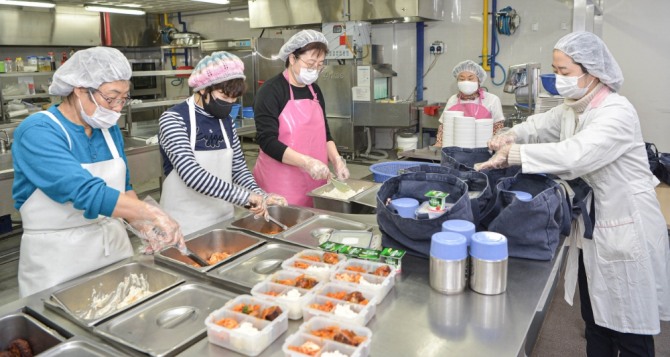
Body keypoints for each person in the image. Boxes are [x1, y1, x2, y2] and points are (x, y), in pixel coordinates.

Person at [476, 32, 669, 356]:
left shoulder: (616, 112)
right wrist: (510, 134)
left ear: (592, 71)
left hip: (627, 224)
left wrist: (513, 154)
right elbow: (539, 125)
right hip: (597, 226)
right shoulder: (573, 107)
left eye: (564, 72)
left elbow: (575, 154)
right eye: (556, 70)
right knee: (595, 320)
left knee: (630, 331)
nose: (558, 79)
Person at [12, 47, 185, 297]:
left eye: (123, 98)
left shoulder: (108, 129)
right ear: (80, 90)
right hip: (58, 262)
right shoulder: (37, 131)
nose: (116, 108)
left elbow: (123, 187)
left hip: (114, 250)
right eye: (110, 97)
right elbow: (83, 191)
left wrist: (142, 225)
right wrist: (152, 213)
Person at [159, 51, 286, 236]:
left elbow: (239, 169)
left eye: (234, 99)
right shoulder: (173, 119)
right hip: (183, 225)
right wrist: (245, 197)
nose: (229, 104)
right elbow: (192, 175)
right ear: (203, 88)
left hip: (222, 221)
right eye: (224, 97)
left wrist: (261, 196)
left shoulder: (226, 121)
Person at [253, 29, 349, 207]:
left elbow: (325, 134)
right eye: (311, 63)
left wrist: (337, 161)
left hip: (315, 179)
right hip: (280, 183)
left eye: (320, 64)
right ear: (292, 58)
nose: (315, 69)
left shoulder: (315, 90)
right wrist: (306, 162)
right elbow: (267, 141)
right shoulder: (271, 91)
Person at [434, 60, 505, 147]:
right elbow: (444, 127)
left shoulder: (492, 100)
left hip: (483, 149)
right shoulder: (453, 100)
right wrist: (439, 143)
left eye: (470, 78)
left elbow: (498, 128)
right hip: (455, 149)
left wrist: (494, 146)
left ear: (479, 81)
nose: (466, 82)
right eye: (462, 79)